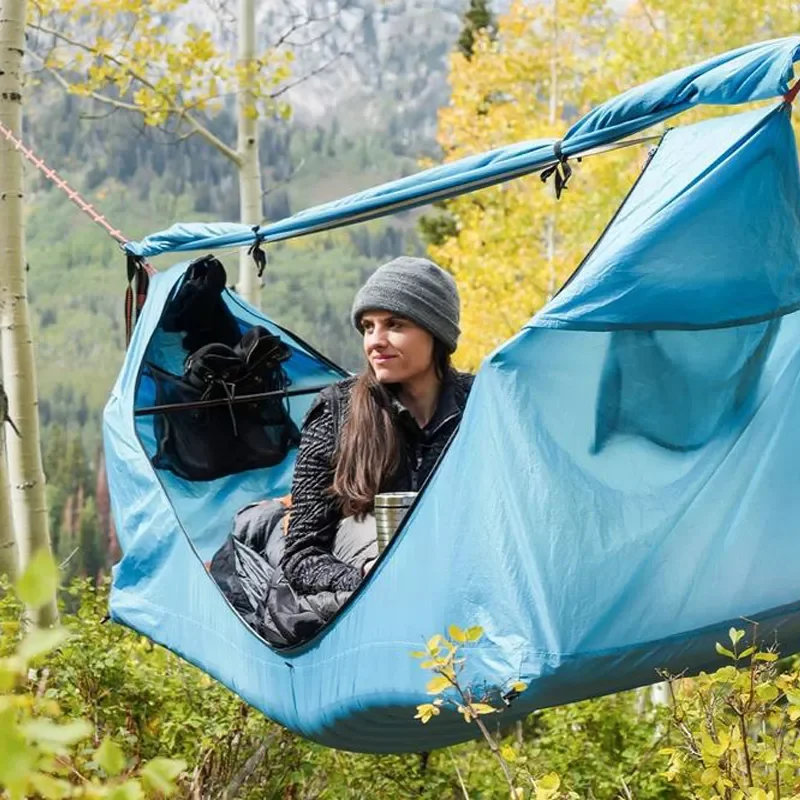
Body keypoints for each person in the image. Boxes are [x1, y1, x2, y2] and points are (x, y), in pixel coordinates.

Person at [280, 256, 474, 595]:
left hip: (464, 587)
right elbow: (300, 554)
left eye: (395, 325)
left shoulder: (480, 404)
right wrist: (362, 578)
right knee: (369, 529)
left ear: (436, 332)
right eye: (368, 327)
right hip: (366, 600)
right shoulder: (335, 411)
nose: (375, 341)